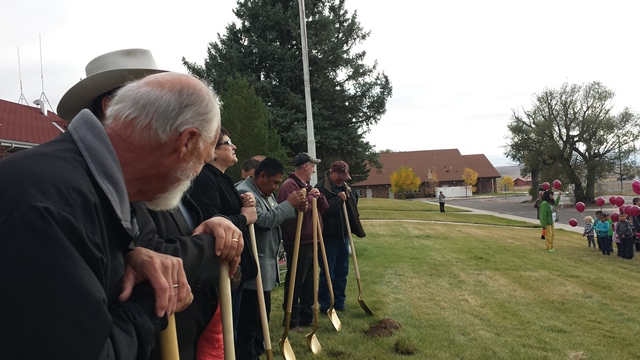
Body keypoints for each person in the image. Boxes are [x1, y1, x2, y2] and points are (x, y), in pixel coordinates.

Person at [0, 71, 245, 359]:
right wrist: (153, 296)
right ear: (186, 141)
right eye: (201, 162)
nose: (195, 174)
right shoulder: (50, 207)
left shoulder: (83, 187)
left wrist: (129, 253)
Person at [190, 127, 259, 355]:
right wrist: (243, 217)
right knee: (225, 337)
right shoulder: (203, 179)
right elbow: (212, 220)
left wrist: (243, 201)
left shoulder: (223, 178)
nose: (234, 146)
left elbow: (225, 209)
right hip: (221, 267)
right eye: (228, 143)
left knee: (234, 330)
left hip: (236, 266)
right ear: (213, 150)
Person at [235, 158, 307, 360]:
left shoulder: (265, 193)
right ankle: (247, 355)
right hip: (252, 271)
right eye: (275, 182)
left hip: (265, 268)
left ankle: (257, 351)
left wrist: (297, 209)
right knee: (249, 322)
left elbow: (277, 216)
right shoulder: (245, 192)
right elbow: (262, 221)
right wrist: (288, 205)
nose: (276, 187)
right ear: (262, 176)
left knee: (262, 319)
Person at [277, 152, 328, 330]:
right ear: (305, 166)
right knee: (296, 280)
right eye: (312, 166)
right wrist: (310, 198)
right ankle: (291, 319)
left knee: (309, 281)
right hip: (298, 240)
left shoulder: (306, 186)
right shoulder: (289, 186)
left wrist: (318, 196)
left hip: (312, 239)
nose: (314, 170)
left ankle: (306, 316)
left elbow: (323, 209)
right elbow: (292, 213)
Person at [316, 160, 366, 313]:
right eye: (340, 176)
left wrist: (347, 196)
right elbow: (323, 211)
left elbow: (353, 208)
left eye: (345, 177)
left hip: (343, 237)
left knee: (342, 272)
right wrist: (339, 199)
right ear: (331, 172)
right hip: (328, 238)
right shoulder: (321, 189)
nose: (342, 180)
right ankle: (325, 305)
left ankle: (339, 302)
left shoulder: (346, 188)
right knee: (327, 273)